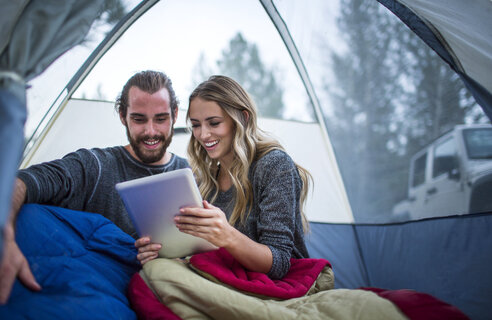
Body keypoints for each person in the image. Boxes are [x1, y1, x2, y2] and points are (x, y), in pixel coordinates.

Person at [0, 70, 189, 304]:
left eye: (160, 119)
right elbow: (22, 182)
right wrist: (3, 235)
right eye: (139, 119)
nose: (151, 131)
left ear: (175, 114)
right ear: (122, 115)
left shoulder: (191, 176)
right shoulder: (96, 166)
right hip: (100, 294)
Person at [136, 75, 311, 279]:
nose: (203, 135)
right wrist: (163, 252)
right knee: (154, 273)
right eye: (196, 125)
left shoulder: (274, 166)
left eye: (214, 123)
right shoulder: (203, 181)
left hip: (279, 282)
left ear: (243, 119)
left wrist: (226, 234)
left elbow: (280, 263)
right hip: (227, 278)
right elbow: (203, 254)